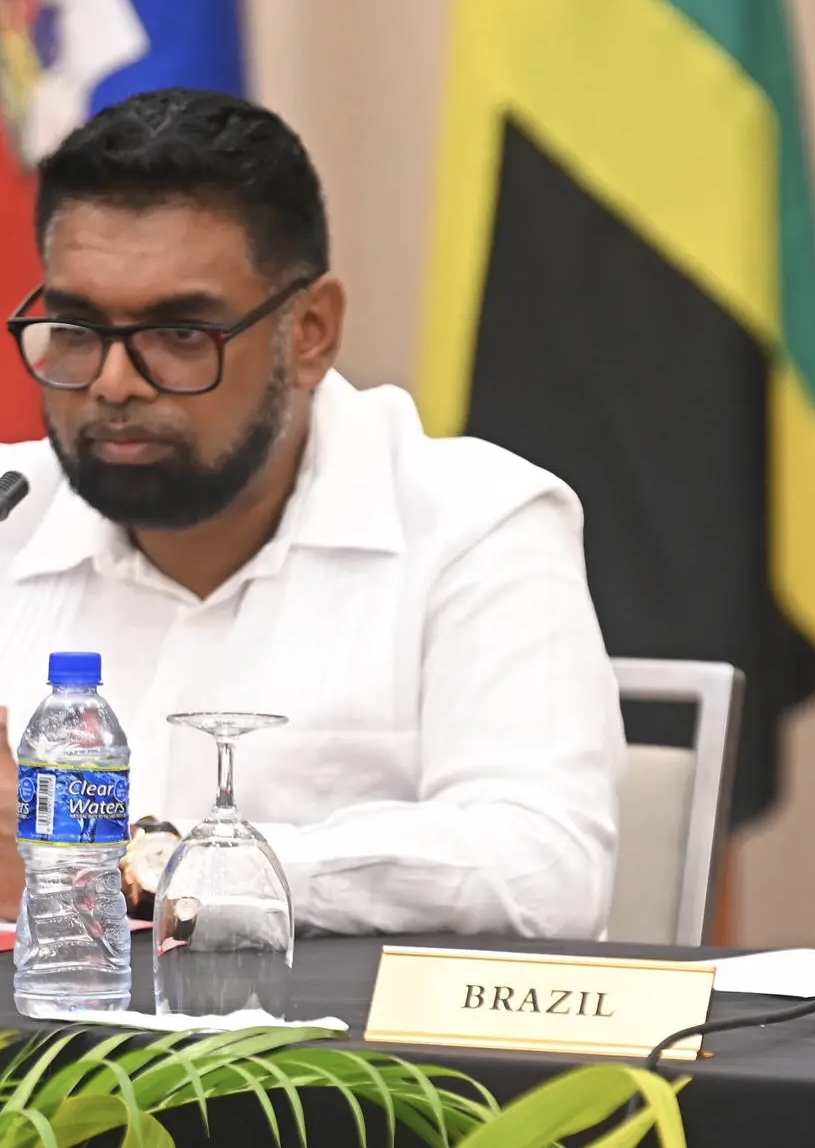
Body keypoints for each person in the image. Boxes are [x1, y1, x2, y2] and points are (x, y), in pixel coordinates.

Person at [0, 88, 623, 938]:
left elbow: (542, 872)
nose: (113, 383)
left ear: (311, 333)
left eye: (180, 334)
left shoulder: (471, 525)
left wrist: (148, 868)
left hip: (329, 1033)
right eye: (76, 329)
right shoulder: (11, 513)